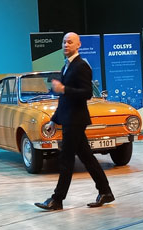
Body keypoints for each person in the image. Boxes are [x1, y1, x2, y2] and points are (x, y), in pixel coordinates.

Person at [35, 32, 115, 211]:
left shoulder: (81, 66)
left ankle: (57, 199)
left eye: (70, 42)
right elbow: (64, 99)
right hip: (69, 119)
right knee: (87, 157)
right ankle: (105, 192)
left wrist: (64, 88)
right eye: (64, 42)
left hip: (75, 120)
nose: (66, 45)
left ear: (78, 45)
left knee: (66, 159)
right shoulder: (66, 66)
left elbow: (87, 93)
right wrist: (54, 120)